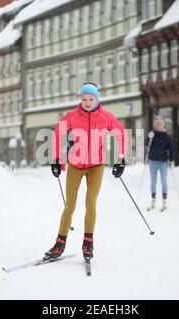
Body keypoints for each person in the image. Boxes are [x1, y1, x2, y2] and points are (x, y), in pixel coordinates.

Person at [45, 83, 129, 261]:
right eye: (84, 99)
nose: (88, 102)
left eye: (91, 99)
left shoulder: (106, 117)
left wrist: (121, 159)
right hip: (75, 165)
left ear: (97, 98)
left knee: (91, 202)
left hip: (96, 166)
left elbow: (121, 134)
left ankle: (88, 243)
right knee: (70, 205)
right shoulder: (72, 116)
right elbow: (57, 135)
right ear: (80, 99)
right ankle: (59, 244)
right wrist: (55, 160)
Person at [146, 118, 174, 211]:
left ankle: (164, 199)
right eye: (157, 124)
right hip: (153, 161)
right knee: (153, 182)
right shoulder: (152, 135)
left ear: (163, 126)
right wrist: (148, 137)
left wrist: (172, 160)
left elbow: (171, 149)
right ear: (155, 126)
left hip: (163, 162)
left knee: (164, 181)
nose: (158, 126)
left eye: (160, 124)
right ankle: (153, 199)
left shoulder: (167, 136)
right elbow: (146, 143)